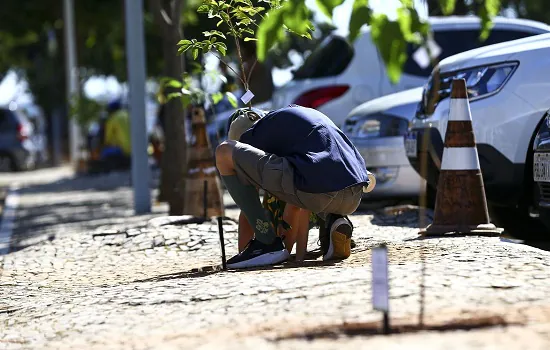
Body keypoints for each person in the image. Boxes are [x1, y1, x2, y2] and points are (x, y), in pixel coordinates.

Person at [215, 105, 375, 269]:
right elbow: (296, 206)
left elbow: (250, 205)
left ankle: (266, 244)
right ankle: (333, 223)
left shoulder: (257, 132)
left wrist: (255, 248)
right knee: (309, 178)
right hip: (354, 193)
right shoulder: (296, 118)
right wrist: (297, 255)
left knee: (224, 152)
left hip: (317, 190)